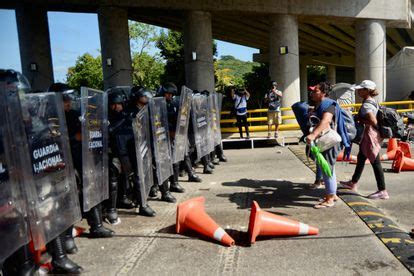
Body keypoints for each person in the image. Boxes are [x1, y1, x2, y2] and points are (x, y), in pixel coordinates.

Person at [340, 80, 389, 200]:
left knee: (375, 162)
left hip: (370, 135)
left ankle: (382, 191)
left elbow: (373, 121)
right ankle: (353, 182)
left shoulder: (367, 104)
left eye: (361, 89)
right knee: (361, 157)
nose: (358, 91)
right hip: (370, 135)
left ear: (367, 91)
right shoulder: (372, 101)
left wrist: (360, 120)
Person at [306, 82, 344, 208]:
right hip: (328, 141)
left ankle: (329, 199)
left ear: (323, 93)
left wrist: (313, 134)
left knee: (327, 169)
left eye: (315, 91)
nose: (312, 93)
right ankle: (332, 195)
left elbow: (326, 121)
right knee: (329, 168)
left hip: (329, 141)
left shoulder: (328, 104)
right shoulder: (322, 104)